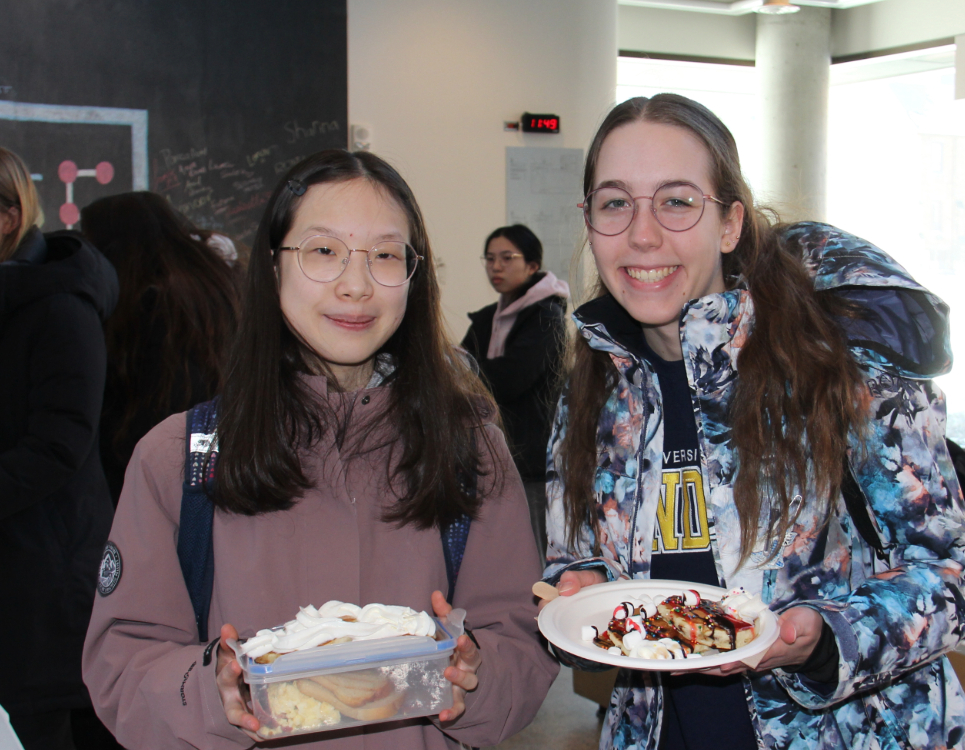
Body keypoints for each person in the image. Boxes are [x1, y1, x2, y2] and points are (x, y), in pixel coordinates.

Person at [541, 94, 965, 749]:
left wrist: (820, 639)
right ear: (589, 221)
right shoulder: (590, 387)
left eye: (676, 200)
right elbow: (575, 559)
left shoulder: (840, 366)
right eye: (615, 202)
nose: (642, 234)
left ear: (729, 224)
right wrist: (576, 586)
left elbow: (957, 578)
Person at [83, 149, 558, 749]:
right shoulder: (179, 457)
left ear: (414, 275)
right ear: (274, 266)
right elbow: (121, 664)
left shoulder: (469, 450)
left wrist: (477, 679)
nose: (356, 285)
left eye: (385, 255)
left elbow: (520, 639)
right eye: (324, 251)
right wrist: (213, 692)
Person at [0, 147, 118, 750]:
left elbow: (58, 444)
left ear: (9, 215)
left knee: (62, 723)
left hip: (49, 569)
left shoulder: (60, 309)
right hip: (23, 566)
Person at [80, 191, 241, 505]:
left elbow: (142, 420)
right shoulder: (218, 283)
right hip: (220, 465)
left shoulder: (147, 307)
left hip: (159, 480)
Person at [461, 224, 569, 563]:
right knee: (497, 552)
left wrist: (471, 370)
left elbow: (509, 379)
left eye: (507, 258)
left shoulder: (546, 317)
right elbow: (453, 372)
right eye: (490, 259)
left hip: (532, 458)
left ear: (532, 265)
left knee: (534, 551)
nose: (496, 267)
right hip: (490, 453)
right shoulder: (486, 319)